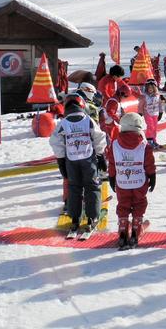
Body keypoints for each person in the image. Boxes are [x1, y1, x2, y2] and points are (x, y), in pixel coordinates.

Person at [49, 93, 107, 234]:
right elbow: (99, 137)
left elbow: (55, 142)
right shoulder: (88, 120)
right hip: (88, 159)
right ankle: (92, 217)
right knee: (92, 186)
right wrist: (100, 155)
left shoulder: (63, 124)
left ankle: (75, 217)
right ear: (82, 105)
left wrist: (61, 160)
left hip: (71, 160)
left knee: (74, 187)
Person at [107, 112, 156, 248]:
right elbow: (149, 163)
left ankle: (123, 231)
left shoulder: (114, 144)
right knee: (139, 203)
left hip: (122, 181)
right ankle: (135, 231)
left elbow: (112, 163)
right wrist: (152, 176)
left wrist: (111, 176)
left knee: (123, 204)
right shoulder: (144, 145)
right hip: (139, 181)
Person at [137, 78, 165, 148]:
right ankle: (149, 141)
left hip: (155, 113)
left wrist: (161, 113)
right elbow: (140, 105)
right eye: (149, 87)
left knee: (154, 128)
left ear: (155, 88)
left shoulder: (157, 95)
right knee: (150, 127)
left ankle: (154, 141)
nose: (150, 89)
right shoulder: (144, 96)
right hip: (147, 113)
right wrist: (140, 113)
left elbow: (160, 104)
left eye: (152, 87)